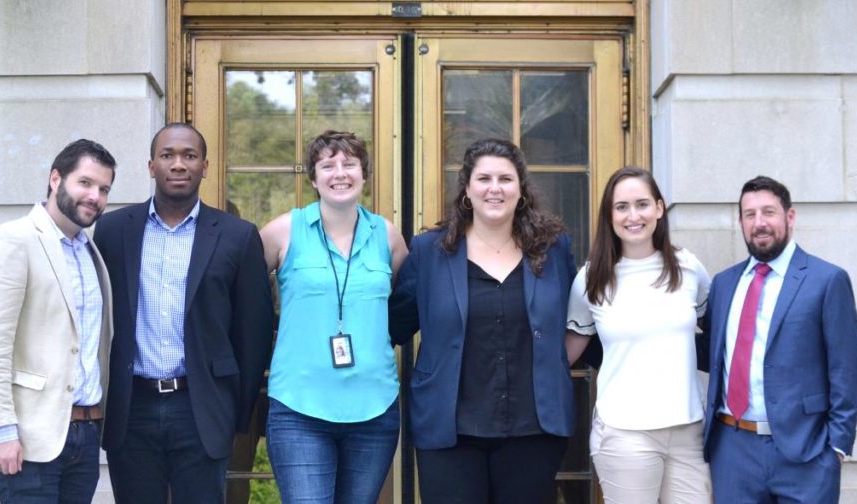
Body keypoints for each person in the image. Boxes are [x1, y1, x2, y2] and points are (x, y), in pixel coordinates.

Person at [93, 123, 275, 503]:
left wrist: (234, 412)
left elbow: (253, 333)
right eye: (168, 155)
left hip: (201, 407)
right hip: (132, 408)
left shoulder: (237, 236)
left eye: (189, 156)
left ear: (205, 166)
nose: (179, 164)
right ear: (150, 166)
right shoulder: (111, 231)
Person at [389, 138, 576, 503]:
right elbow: (392, 326)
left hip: (534, 429)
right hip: (449, 430)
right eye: (484, 178)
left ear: (521, 190)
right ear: (467, 189)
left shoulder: (554, 250)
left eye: (505, 179)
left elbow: (578, 320)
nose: (495, 188)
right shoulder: (430, 251)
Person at [259, 130, 408, 503]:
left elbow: (406, 306)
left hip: (374, 409)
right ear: (313, 178)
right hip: (299, 408)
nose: (339, 173)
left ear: (364, 174)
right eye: (328, 165)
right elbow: (245, 302)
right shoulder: (282, 232)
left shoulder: (388, 237)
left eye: (350, 164)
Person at [0, 139, 117, 503]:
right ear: (55, 178)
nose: (95, 196)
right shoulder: (14, 240)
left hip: (85, 433)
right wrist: (1, 431)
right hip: (31, 437)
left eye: (104, 189)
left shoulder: (90, 251)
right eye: (85, 183)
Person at [701, 176, 857, 503]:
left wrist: (836, 448)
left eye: (768, 212)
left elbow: (845, 369)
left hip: (806, 453)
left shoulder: (827, 280)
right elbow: (712, 356)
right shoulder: (723, 285)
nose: (759, 223)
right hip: (733, 449)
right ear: (741, 222)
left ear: (790, 217)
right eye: (749, 214)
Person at [564, 167, 712, 503]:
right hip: (623, 432)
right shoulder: (591, 279)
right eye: (622, 207)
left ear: (659, 209)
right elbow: (571, 348)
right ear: (610, 215)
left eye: (642, 204)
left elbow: (721, 335)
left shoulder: (688, 268)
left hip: (689, 431)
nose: (633, 215)